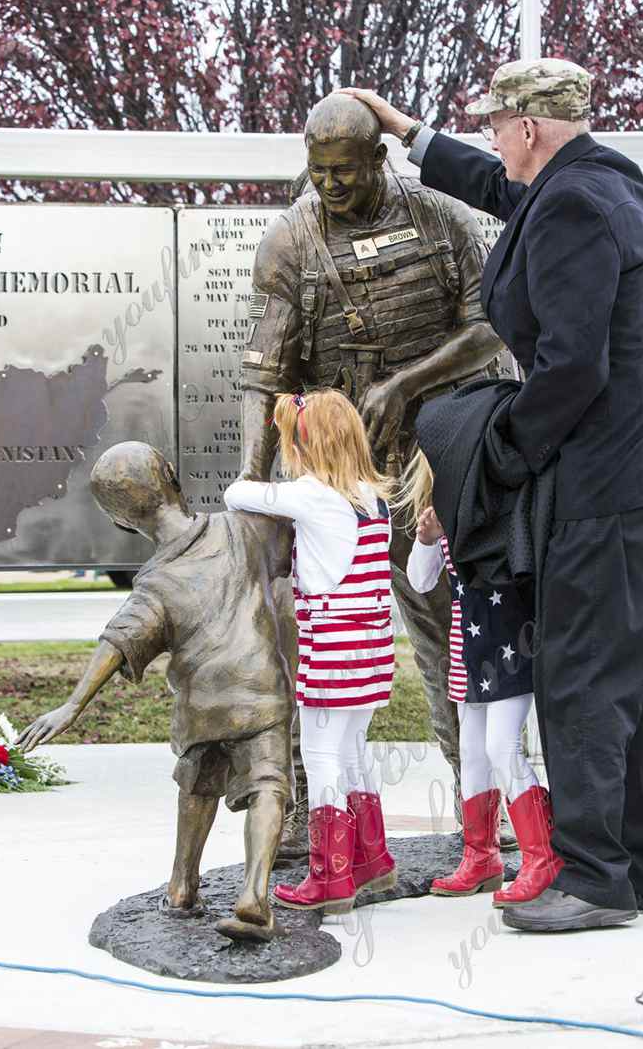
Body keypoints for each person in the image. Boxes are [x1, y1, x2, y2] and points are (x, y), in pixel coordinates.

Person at [342, 57, 643, 932]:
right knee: (622, 671)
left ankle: (595, 881)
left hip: (607, 488)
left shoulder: (577, 203)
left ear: (530, 128)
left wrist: (494, 453)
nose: (491, 141)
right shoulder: (584, 184)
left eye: (496, 126)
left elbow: (573, 367)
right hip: (630, 480)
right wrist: (407, 133)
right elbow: (505, 193)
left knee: (580, 676)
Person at [237, 93, 506, 857]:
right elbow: (265, 375)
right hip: (337, 479)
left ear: (379, 158)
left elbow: (492, 325)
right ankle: (297, 812)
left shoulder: (441, 219)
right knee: (306, 642)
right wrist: (259, 505)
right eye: (318, 172)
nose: (331, 185)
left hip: (438, 465)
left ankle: (483, 803)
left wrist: (406, 382)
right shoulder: (288, 242)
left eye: (346, 171)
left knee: (455, 631)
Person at [17, 442, 296, 942]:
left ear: (120, 522)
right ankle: (255, 893)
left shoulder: (154, 583)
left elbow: (117, 641)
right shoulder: (244, 527)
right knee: (268, 786)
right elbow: (300, 538)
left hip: (202, 706)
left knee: (196, 786)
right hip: (262, 690)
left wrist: (73, 704)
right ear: (172, 475)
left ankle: (182, 884)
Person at [224, 388, 397, 914]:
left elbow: (237, 494)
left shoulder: (311, 495)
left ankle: (331, 877)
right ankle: (371, 861)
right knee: (353, 751)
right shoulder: (374, 495)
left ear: (308, 444)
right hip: (372, 642)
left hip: (334, 640)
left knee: (319, 756)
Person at [403, 449, 561, 904]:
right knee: (473, 754)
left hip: (510, 648)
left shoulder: (497, 509)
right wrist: (428, 538)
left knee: (500, 747)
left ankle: (541, 855)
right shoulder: (442, 518)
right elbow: (419, 580)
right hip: (468, 652)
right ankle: (481, 857)